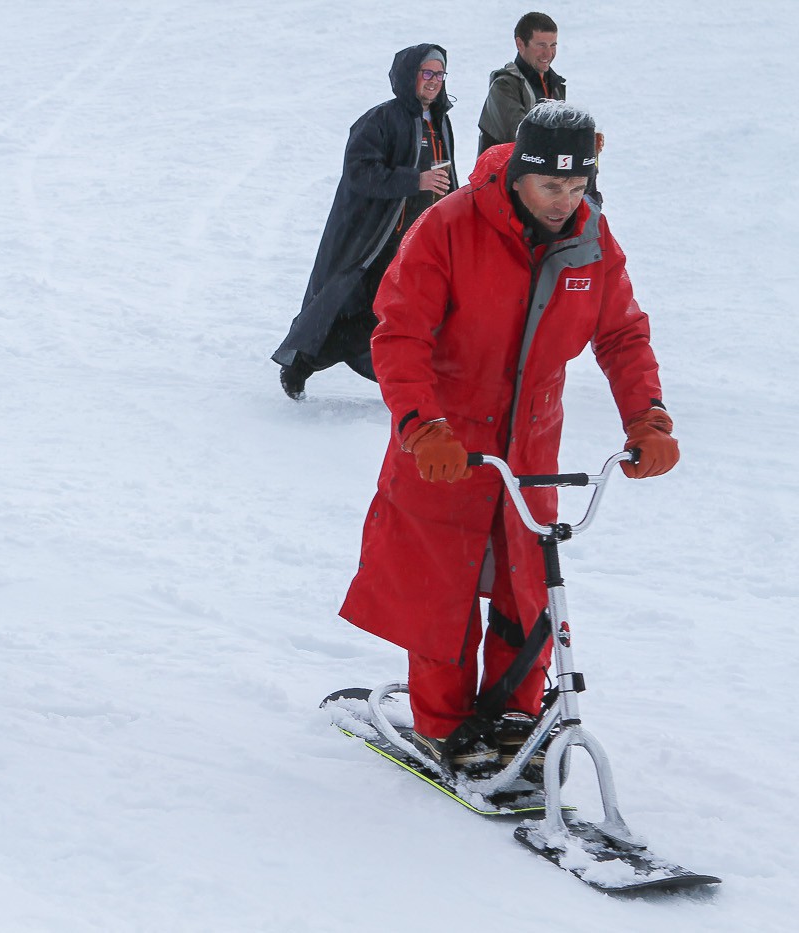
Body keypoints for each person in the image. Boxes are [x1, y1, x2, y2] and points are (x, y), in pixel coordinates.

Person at [338, 101, 679, 771]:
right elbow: (400, 333)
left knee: (530, 584)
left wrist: (648, 418)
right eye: (552, 186)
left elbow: (621, 332)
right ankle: (442, 724)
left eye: (578, 187)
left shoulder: (590, 239)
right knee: (442, 590)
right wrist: (420, 425)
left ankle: (515, 713)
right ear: (520, 173)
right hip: (444, 445)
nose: (565, 201)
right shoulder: (450, 226)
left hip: (530, 448)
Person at [273, 44, 458, 399]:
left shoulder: (440, 122)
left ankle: (320, 363)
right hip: (375, 239)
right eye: (427, 73)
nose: (434, 81)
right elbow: (359, 172)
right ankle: (302, 363)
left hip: (418, 241)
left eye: (439, 74)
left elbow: (448, 177)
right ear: (409, 76)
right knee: (365, 309)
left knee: (401, 312)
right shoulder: (380, 119)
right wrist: (414, 179)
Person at [477, 12, 566, 155]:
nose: (548, 54)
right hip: (507, 176)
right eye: (541, 45)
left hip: (542, 175)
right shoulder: (504, 85)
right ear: (520, 44)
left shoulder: (555, 85)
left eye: (553, 45)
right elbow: (523, 137)